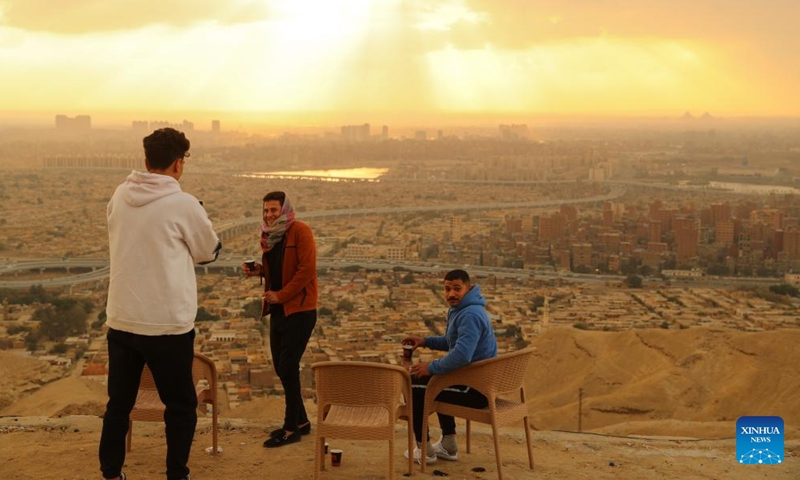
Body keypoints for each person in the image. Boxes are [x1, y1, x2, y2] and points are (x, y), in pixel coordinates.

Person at [99, 128, 221, 480]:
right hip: (167, 324)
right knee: (180, 405)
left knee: (119, 404)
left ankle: (110, 473)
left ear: (145, 160)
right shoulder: (183, 203)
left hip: (122, 318)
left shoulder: (120, 194)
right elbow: (208, 251)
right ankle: (175, 474)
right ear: (179, 164)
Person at [242, 191, 318, 448]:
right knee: (281, 367)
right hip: (278, 309)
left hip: (300, 309)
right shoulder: (269, 237)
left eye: (274, 210)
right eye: (266, 210)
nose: (269, 215)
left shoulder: (300, 231)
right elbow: (280, 269)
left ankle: (290, 427)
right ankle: (302, 422)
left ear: (285, 209)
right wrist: (260, 272)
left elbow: (306, 270)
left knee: (288, 366)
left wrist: (281, 295)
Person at [402, 269, 498, 465]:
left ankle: (424, 449)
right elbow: (451, 341)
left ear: (468, 288)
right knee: (436, 379)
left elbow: (462, 355)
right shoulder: (465, 309)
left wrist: (431, 367)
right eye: (447, 289)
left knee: (414, 385)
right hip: (475, 383)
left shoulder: (469, 314)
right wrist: (425, 341)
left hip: (474, 391)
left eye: (456, 288)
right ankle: (448, 444)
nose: (451, 294)